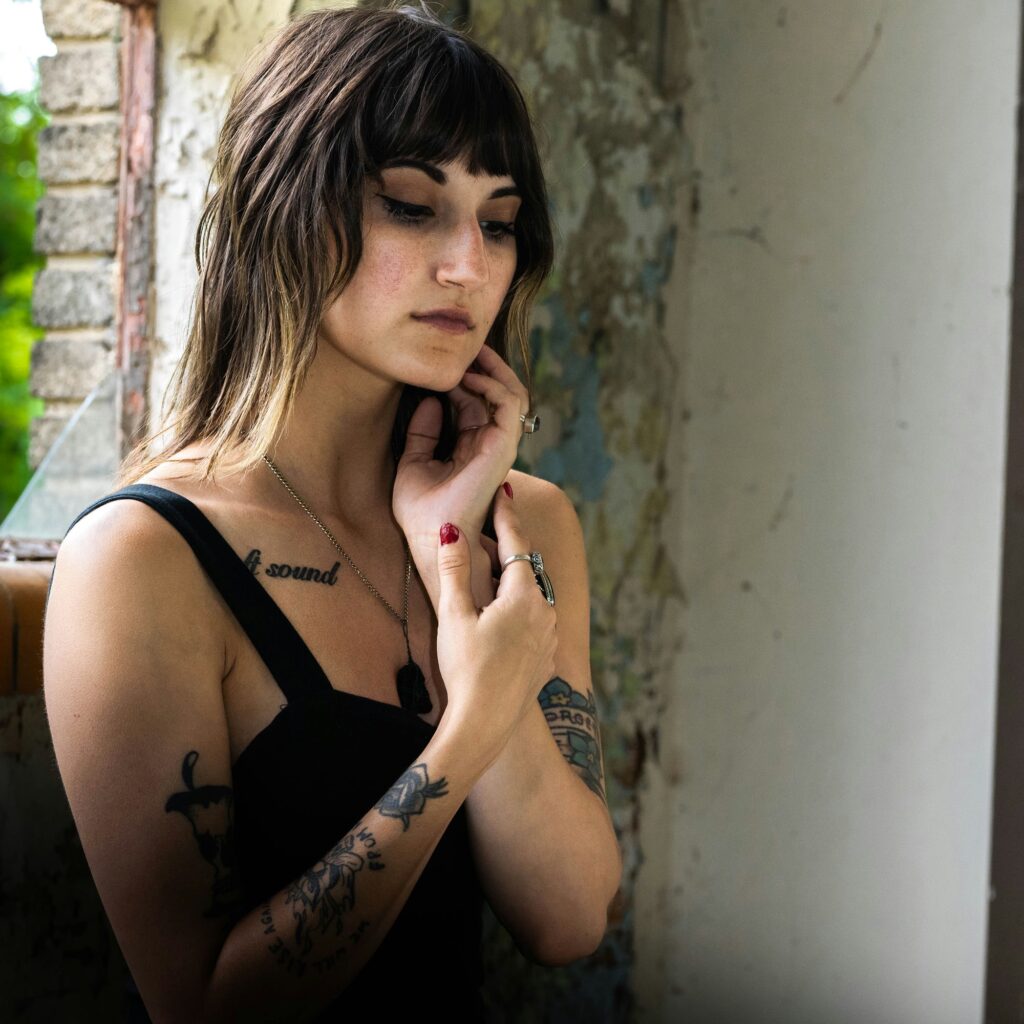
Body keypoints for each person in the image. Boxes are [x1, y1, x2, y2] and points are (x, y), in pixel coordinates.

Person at [41, 3, 622, 1020]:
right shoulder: (144, 558)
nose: (468, 265)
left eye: (496, 221)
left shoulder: (523, 527)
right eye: (411, 204)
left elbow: (567, 918)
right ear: (285, 205)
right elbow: (203, 1004)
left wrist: (450, 559)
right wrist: (470, 724)